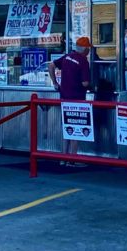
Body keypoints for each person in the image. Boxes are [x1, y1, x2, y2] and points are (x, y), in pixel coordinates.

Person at [47, 36, 92, 166]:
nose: (89, 51)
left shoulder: (67, 57)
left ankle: (63, 158)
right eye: (88, 48)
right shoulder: (83, 61)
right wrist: (92, 85)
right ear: (85, 49)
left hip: (64, 97)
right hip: (77, 99)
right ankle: (73, 159)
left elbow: (51, 65)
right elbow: (85, 83)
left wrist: (55, 83)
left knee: (67, 127)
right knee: (76, 128)